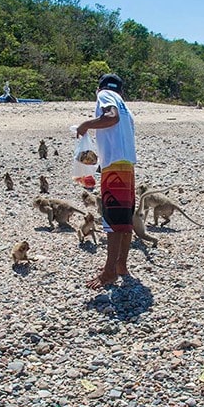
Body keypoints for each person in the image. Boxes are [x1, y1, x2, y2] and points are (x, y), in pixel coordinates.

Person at [76, 74, 136, 290]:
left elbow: (110, 117)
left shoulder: (105, 95)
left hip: (115, 167)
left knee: (112, 219)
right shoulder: (125, 105)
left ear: (98, 88)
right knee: (124, 217)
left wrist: (85, 125)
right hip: (127, 166)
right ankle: (121, 265)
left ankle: (109, 270)